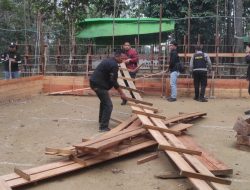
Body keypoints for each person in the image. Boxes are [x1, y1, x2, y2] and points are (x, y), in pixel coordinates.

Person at [89, 50, 127, 132]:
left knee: (104, 102)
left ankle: (101, 121)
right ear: (117, 56)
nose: (123, 60)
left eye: (124, 58)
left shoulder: (109, 60)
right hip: (98, 85)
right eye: (122, 58)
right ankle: (103, 127)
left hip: (95, 82)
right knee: (108, 105)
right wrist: (122, 93)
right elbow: (114, 81)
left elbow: (111, 79)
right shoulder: (114, 65)